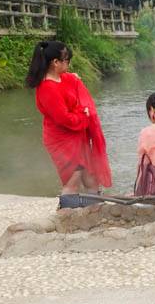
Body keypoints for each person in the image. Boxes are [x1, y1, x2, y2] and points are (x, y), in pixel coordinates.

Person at [25, 40, 112, 200]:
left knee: (91, 178)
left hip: (78, 135)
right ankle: (66, 214)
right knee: (73, 178)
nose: (69, 64)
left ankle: (95, 207)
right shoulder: (47, 88)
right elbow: (64, 119)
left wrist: (74, 79)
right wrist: (84, 115)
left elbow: (74, 83)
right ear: (55, 62)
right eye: (67, 60)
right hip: (62, 138)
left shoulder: (64, 78)